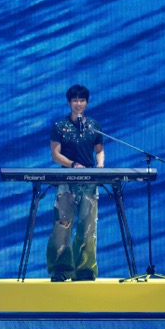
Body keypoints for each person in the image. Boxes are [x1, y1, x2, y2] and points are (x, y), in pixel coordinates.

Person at [47, 84, 104, 281]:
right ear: (69, 102)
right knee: (62, 224)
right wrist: (72, 164)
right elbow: (55, 155)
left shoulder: (94, 126)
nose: (78, 104)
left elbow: (99, 150)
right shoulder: (59, 126)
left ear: (87, 102)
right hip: (67, 181)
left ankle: (85, 269)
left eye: (82, 100)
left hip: (89, 182)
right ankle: (60, 269)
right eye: (75, 100)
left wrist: (100, 166)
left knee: (88, 226)